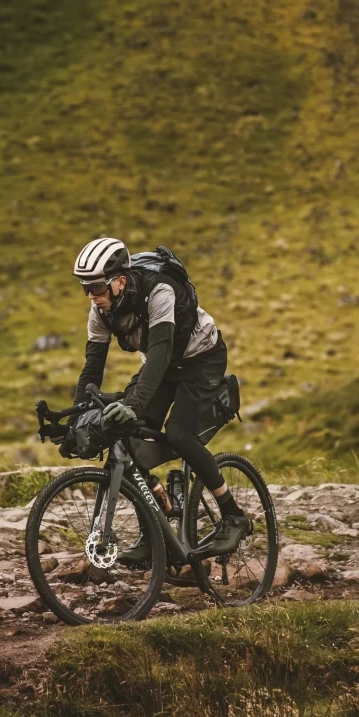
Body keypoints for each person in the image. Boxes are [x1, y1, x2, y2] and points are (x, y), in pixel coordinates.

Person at [71, 237, 250, 557]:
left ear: (119, 281)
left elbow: (160, 351)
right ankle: (152, 532)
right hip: (162, 366)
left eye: (96, 287)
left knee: (180, 433)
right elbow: (92, 369)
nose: (90, 296)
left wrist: (133, 405)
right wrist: (75, 419)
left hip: (201, 359)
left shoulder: (159, 291)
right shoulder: (100, 311)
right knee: (125, 434)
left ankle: (233, 514)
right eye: (85, 287)